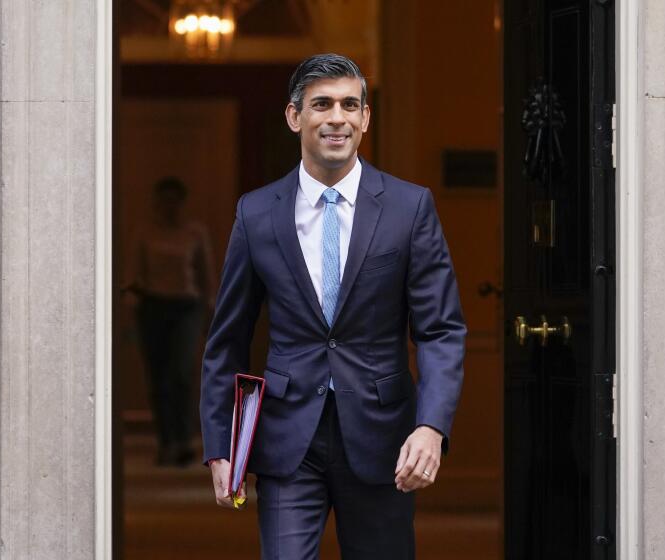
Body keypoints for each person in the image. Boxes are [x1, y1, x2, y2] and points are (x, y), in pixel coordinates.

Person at [200, 53, 466, 559]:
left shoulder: (410, 208)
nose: (336, 117)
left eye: (350, 104)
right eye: (321, 104)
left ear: (366, 117)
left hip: (383, 440)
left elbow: (441, 330)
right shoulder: (256, 212)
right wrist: (221, 446)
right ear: (294, 116)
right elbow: (227, 339)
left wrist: (431, 427)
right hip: (286, 440)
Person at [123, 176, 216, 467]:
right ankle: (166, 441)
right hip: (153, 306)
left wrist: (210, 310)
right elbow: (133, 273)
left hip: (186, 306)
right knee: (159, 377)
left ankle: (184, 438)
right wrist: (130, 310)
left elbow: (206, 274)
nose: (169, 206)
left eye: (174, 200)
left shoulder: (194, 233)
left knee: (181, 373)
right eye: (164, 200)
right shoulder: (145, 232)